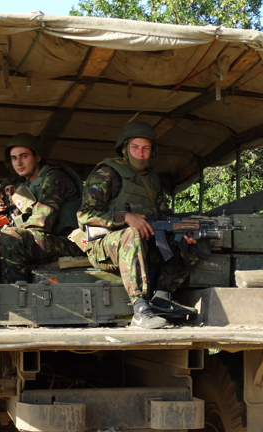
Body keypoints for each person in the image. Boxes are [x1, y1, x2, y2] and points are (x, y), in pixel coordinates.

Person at [76, 122, 199, 329]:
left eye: (146, 148)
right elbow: (85, 215)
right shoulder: (107, 173)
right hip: (105, 247)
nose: (140, 154)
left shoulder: (152, 179)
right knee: (131, 233)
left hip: (141, 245)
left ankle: (161, 298)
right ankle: (140, 308)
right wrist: (125, 217)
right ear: (125, 148)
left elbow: (164, 214)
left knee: (187, 241)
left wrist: (179, 231)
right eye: (135, 147)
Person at [0, 133, 84, 283]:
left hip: (69, 242)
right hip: (47, 240)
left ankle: (15, 295)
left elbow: (41, 222)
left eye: (24, 156)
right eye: (14, 158)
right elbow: (24, 219)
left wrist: (5, 238)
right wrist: (5, 210)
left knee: (11, 239)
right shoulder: (27, 186)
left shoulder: (54, 178)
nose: (18, 163)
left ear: (38, 157)